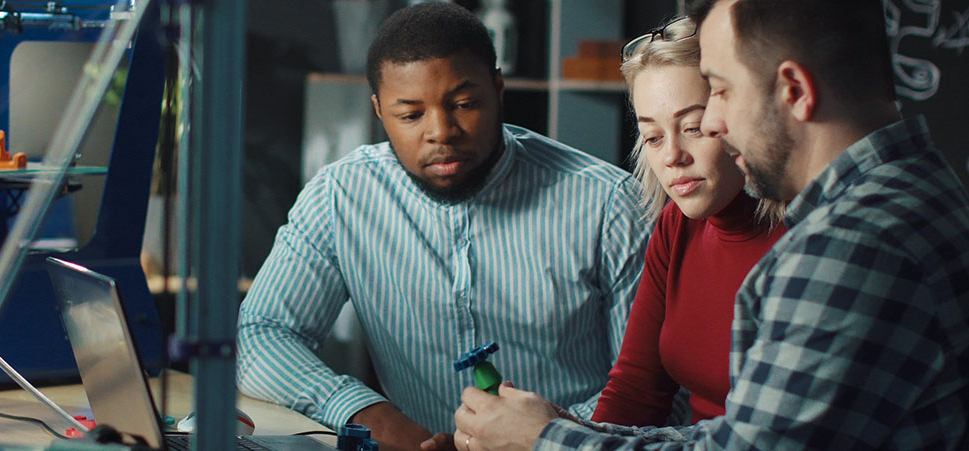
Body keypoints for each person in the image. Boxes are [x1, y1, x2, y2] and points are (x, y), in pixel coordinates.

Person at [450, 1, 969, 449]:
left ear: (794, 89)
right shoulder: (918, 186)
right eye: (652, 136)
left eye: (719, 92)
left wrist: (546, 440)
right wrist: (564, 431)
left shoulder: (846, 248)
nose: (717, 124)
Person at [236, 3, 650, 450]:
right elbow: (261, 334)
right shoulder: (341, 195)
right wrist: (368, 414)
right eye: (411, 115)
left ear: (497, 89)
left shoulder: (608, 203)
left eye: (464, 104)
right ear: (378, 110)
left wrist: (541, 436)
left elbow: (653, 391)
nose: (441, 132)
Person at [588, 15, 786, 429]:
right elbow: (636, 391)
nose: (672, 156)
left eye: (693, 128)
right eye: (654, 138)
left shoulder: (806, 240)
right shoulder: (676, 226)